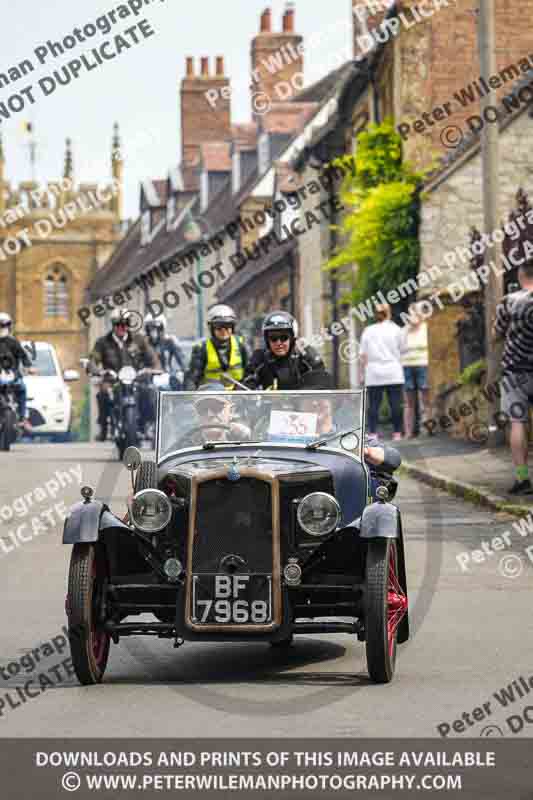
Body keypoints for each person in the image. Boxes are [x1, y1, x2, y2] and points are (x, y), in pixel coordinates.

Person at [493, 258, 533, 494]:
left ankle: (522, 478)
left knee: (517, 423)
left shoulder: (508, 302)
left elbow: (496, 333)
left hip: (514, 372)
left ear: (521, 276)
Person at [89, 309, 159, 442]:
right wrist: (94, 369)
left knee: (149, 391)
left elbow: (152, 357)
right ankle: (103, 426)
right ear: (113, 325)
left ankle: (149, 424)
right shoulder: (102, 342)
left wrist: (155, 368)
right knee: (103, 392)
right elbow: (94, 359)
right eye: (118, 324)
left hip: (135, 378)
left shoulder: (139, 340)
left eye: (125, 323)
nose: (122, 327)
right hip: (112, 379)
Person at [244, 311, 325, 390]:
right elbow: (246, 385)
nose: (279, 343)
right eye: (273, 338)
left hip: (301, 403)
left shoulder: (305, 355)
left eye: (284, 337)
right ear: (267, 340)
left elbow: (321, 383)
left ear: (292, 338)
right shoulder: (260, 358)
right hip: (269, 403)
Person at [359, 303, 404, 441]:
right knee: (395, 404)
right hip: (393, 372)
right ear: (389, 313)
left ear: (376, 314)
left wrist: (362, 373)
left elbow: (363, 355)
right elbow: (402, 350)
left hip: (374, 372)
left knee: (373, 405)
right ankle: (397, 433)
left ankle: (373, 433)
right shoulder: (396, 330)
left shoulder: (368, 330)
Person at [184, 305, 249, 390]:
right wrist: (190, 397)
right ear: (211, 328)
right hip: (212, 398)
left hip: (239, 397)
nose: (223, 330)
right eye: (218, 326)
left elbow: (250, 373)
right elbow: (192, 378)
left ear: (232, 327)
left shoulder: (241, 344)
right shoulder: (201, 349)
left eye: (227, 325)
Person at [0, 312, 33, 432]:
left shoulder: (13, 342)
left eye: (4, 326)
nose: (2, 329)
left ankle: (23, 418)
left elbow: (23, 356)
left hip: (12, 375)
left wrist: (29, 367)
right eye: (0, 326)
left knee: (22, 389)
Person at [401, 302, 430, 439]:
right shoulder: (404, 331)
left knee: (425, 399)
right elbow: (398, 349)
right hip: (407, 367)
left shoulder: (427, 329)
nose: (413, 316)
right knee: (409, 403)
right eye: (411, 313)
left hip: (423, 365)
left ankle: (427, 429)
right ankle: (408, 432)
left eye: (416, 313)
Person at [144, 313, 186, 389]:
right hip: (149, 379)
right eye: (151, 328)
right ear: (147, 329)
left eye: (157, 327)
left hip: (166, 376)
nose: (153, 331)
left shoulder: (169, 341)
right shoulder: (144, 343)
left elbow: (181, 360)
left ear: (162, 328)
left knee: (177, 384)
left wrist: (182, 371)